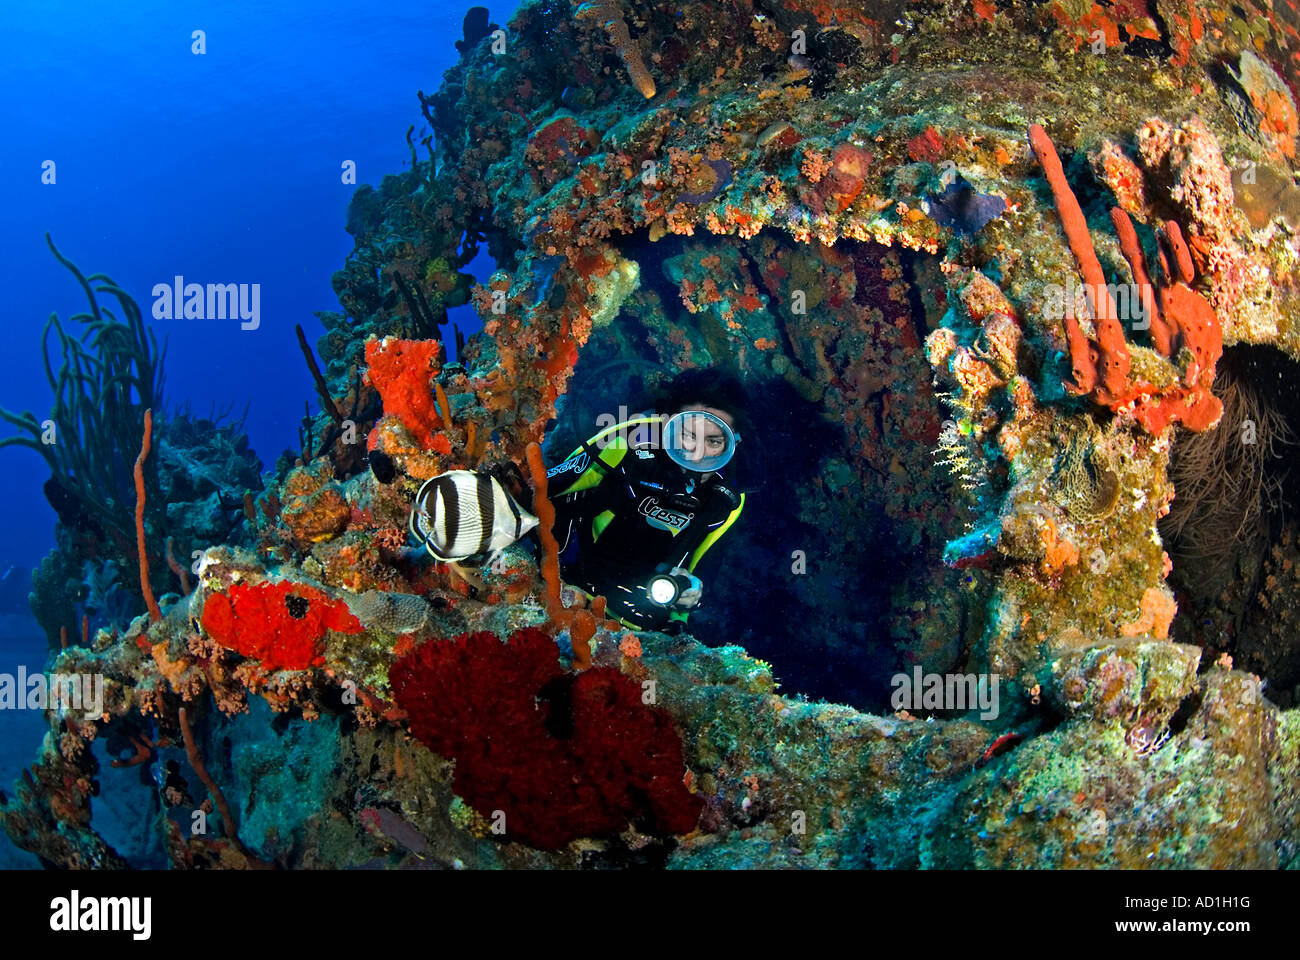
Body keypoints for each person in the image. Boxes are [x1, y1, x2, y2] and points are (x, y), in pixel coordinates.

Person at [545, 369, 749, 633]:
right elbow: (545, 489)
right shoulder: (622, 444)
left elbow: (702, 568)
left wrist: (690, 597)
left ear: (733, 443)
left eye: (714, 441)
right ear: (667, 423)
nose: (697, 454)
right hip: (572, 592)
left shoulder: (726, 501)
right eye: (688, 434)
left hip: (645, 625)